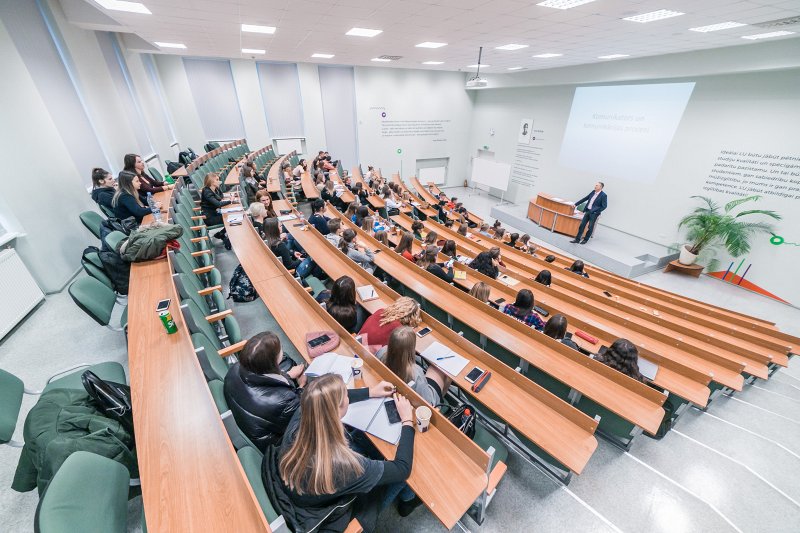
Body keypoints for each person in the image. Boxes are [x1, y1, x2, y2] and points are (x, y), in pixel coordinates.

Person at [265, 375, 418, 532]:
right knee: (409, 475)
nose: (347, 394)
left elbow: (327, 399)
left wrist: (371, 392)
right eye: (344, 394)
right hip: (333, 509)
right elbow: (402, 469)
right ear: (337, 408)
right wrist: (407, 420)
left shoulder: (305, 411)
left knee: (360, 439)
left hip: (299, 492)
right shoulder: (343, 465)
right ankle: (406, 502)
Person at [223, 332, 307, 452]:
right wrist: (302, 385)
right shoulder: (284, 401)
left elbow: (264, 379)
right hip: (278, 446)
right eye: (280, 349)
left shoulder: (235, 368)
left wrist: (287, 375)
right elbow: (301, 415)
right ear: (272, 362)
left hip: (257, 423)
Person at [377, 327, 449, 406]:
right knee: (439, 368)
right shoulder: (415, 372)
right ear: (411, 348)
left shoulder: (382, 351)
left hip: (396, 389)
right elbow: (427, 400)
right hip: (423, 401)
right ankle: (441, 403)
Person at [201, 172, 232, 250]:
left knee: (230, 216)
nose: (219, 181)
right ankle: (224, 236)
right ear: (212, 181)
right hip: (210, 217)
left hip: (216, 213)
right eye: (217, 180)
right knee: (230, 219)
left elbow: (221, 196)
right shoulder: (207, 191)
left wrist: (218, 187)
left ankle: (221, 233)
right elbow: (218, 204)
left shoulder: (215, 189)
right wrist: (230, 201)